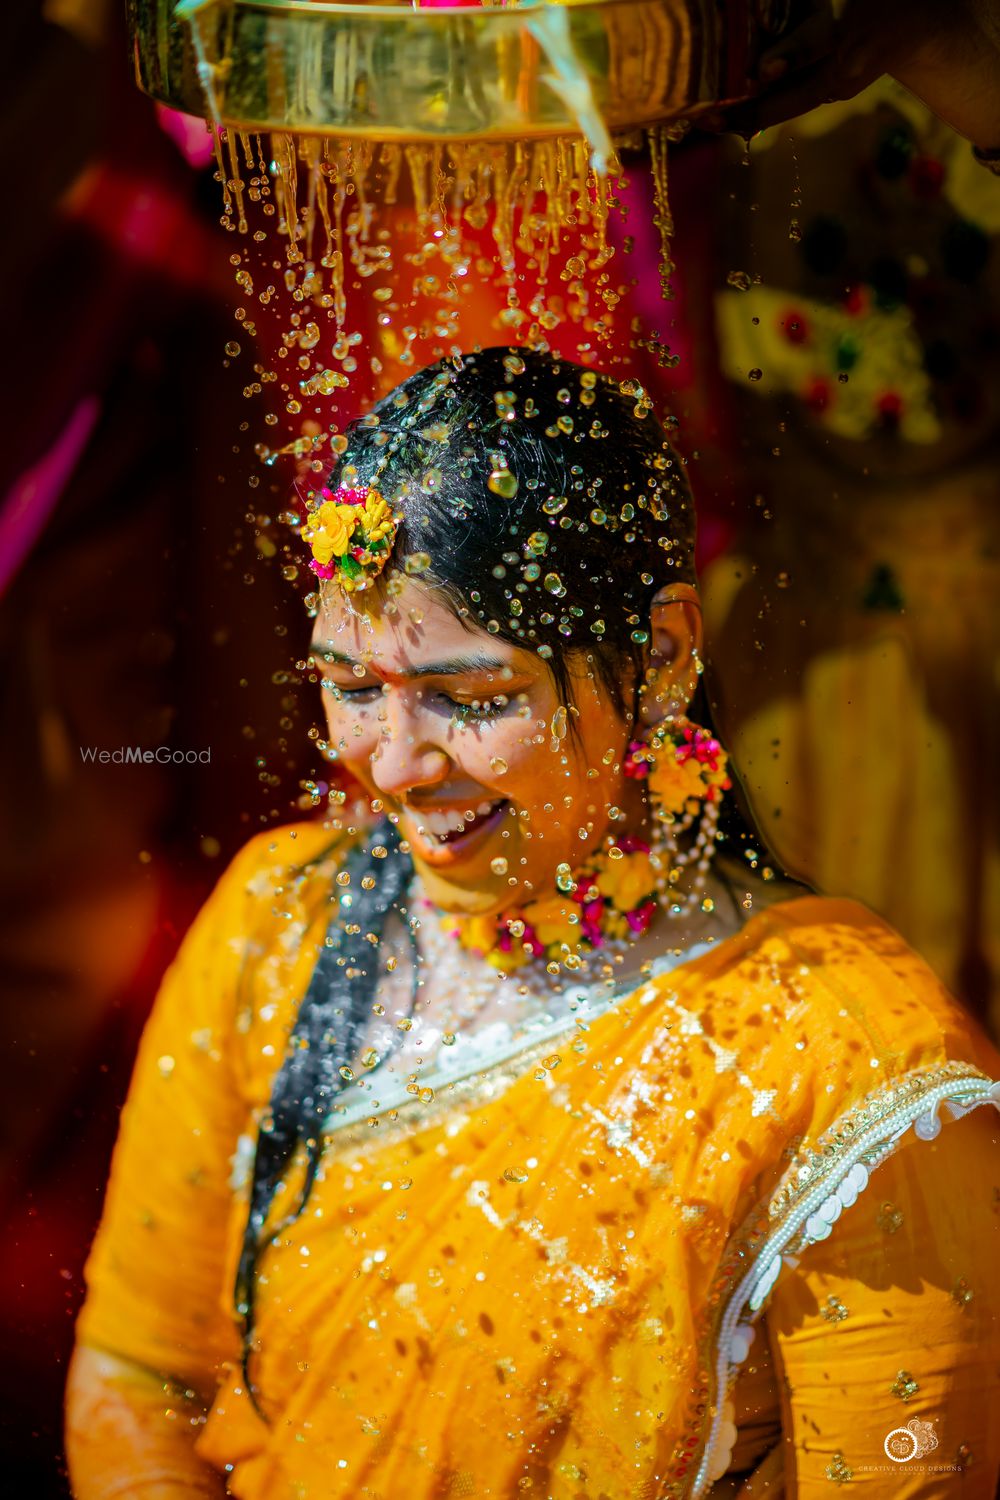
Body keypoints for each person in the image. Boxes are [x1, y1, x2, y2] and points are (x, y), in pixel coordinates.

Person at [66, 349, 1000, 1497]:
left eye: (471, 699)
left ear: (656, 660)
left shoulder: (852, 1063)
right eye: (352, 688)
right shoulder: (282, 917)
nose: (395, 767)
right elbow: (137, 1376)